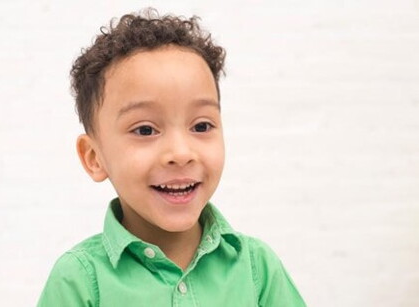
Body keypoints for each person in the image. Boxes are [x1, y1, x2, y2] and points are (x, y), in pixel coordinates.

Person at [37, 9, 306, 307]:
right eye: (145, 129)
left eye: (201, 126)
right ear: (93, 157)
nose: (180, 153)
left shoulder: (258, 270)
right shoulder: (79, 280)